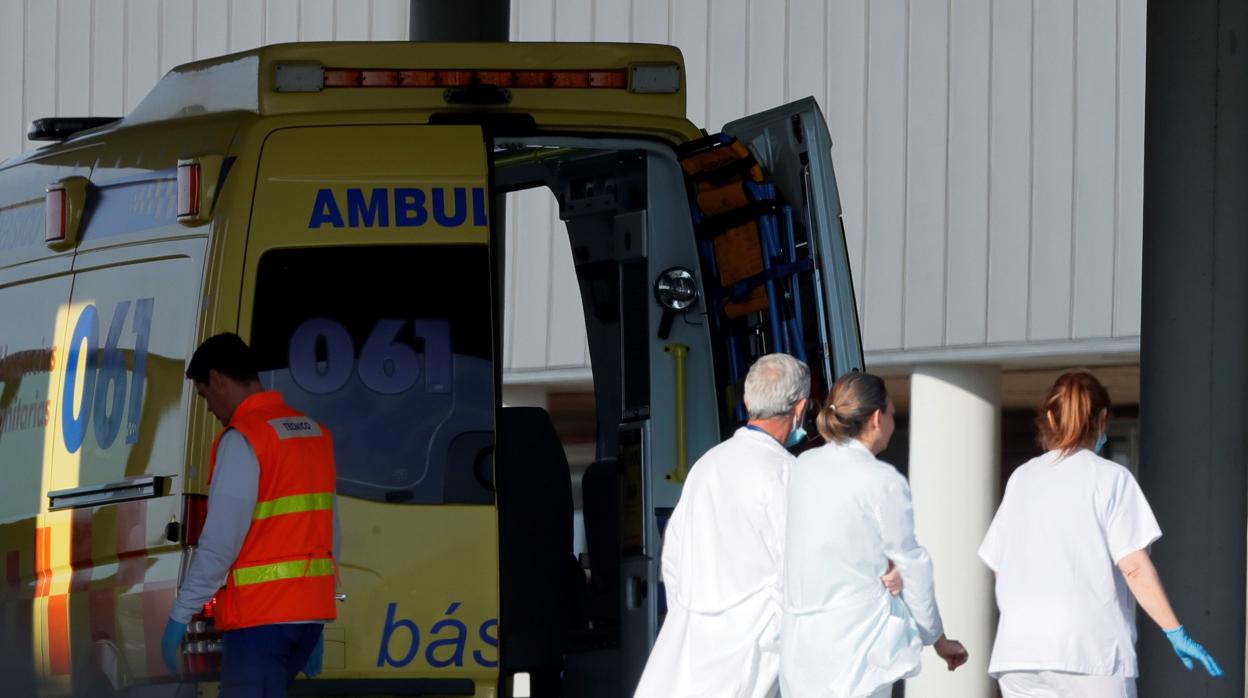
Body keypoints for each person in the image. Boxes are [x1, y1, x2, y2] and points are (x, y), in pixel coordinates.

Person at [634, 354, 901, 698]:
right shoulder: (787, 475)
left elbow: (673, 561)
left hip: (689, 654)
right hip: (751, 662)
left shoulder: (706, 467)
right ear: (801, 407)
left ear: (746, 401)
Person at [979, 370, 1221, 698]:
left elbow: (999, 561)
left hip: (1018, 656)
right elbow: (1133, 565)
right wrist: (1175, 631)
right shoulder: (1110, 478)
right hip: (1089, 653)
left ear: (1050, 416)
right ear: (1103, 419)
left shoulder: (1022, 478)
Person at [162, 333, 341, 696]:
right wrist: (316, 615)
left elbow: (219, 544)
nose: (209, 408)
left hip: (261, 622)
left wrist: (181, 615)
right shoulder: (314, 433)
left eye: (204, 396)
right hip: (307, 622)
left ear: (217, 379)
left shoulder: (244, 438)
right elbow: (330, 532)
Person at [781, 371, 968, 698]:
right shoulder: (881, 479)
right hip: (858, 649)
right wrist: (936, 638)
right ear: (877, 418)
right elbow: (913, 564)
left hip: (802, 651)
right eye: (893, 414)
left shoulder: (804, 466)